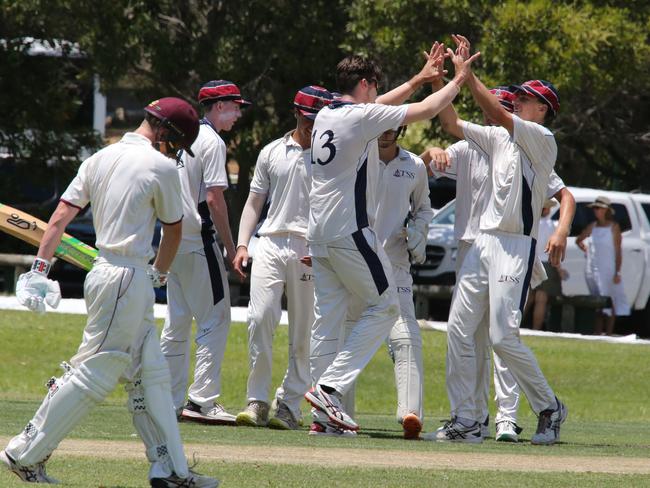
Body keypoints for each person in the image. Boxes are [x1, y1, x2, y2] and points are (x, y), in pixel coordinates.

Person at [3, 98, 218, 487]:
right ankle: (24, 453)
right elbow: (173, 230)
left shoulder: (98, 159)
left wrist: (39, 268)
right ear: (167, 133)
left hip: (106, 271)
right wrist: (160, 273)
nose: (176, 152)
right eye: (177, 143)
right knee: (94, 373)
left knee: (149, 375)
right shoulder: (162, 167)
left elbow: (59, 218)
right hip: (128, 278)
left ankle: (170, 469)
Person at [304, 41, 479, 434]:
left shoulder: (327, 115)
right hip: (350, 231)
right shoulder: (360, 117)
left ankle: (322, 418)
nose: (376, 93)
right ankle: (329, 389)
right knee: (387, 309)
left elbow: (381, 103)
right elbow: (427, 111)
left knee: (327, 323)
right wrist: (458, 80)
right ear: (365, 84)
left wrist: (419, 78)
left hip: (319, 234)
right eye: (374, 86)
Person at [424, 35, 568, 445]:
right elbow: (450, 124)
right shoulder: (498, 137)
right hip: (484, 242)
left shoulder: (541, 140)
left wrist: (468, 77)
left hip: (514, 247)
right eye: (517, 97)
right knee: (458, 329)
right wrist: (442, 81)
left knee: (503, 336)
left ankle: (549, 406)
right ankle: (467, 419)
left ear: (542, 110)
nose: (518, 101)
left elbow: (497, 112)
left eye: (526, 99)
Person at [232, 86, 333, 430]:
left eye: (318, 121)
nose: (312, 127)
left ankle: (289, 404)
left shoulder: (331, 153)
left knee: (303, 331)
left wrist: (321, 247)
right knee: (259, 319)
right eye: (308, 120)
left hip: (310, 248)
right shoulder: (272, 152)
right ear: (296, 113)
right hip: (271, 243)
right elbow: (254, 203)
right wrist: (243, 244)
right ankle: (257, 400)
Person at [160, 80, 249, 425]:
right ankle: (202, 401)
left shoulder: (185, 138)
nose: (239, 114)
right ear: (218, 106)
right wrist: (230, 248)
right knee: (215, 320)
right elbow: (214, 199)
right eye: (235, 106)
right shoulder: (212, 141)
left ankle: (168, 400)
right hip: (199, 241)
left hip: (174, 240)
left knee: (177, 323)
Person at [341, 124, 434, 439]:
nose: (385, 132)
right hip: (356, 259)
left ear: (402, 128)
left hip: (395, 265)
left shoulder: (414, 166)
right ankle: (340, 414)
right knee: (347, 338)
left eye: (392, 127)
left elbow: (423, 209)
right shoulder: (355, 158)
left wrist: (419, 232)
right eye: (381, 126)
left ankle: (411, 413)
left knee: (405, 337)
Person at [576, 196, 630, 335]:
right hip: (592, 268)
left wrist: (617, 272)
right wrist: (587, 250)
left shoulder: (614, 227)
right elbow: (579, 240)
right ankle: (598, 332)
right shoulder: (592, 226)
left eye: (598, 208)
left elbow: (618, 251)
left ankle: (609, 332)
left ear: (606, 210)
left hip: (607, 268)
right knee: (597, 301)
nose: (596, 211)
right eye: (595, 208)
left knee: (608, 300)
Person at [525, 199, 564, 330]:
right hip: (545, 263)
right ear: (547, 209)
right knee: (541, 299)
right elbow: (554, 249)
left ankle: (516, 325)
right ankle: (536, 329)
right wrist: (559, 269)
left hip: (530, 262)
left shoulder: (531, 223)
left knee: (528, 297)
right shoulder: (552, 226)